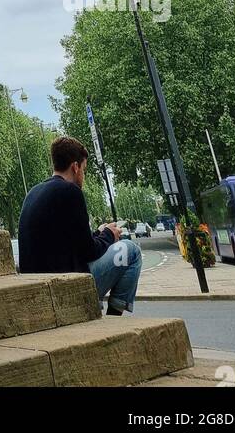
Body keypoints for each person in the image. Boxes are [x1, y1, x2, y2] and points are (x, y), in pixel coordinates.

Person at [17, 135, 142, 315]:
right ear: (75, 167)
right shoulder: (71, 191)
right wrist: (108, 235)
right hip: (66, 287)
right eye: (84, 169)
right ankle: (115, 319)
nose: (83, 175)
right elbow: (89, 252)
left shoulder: (33, 193)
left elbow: (69, 243)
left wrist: (98, 233)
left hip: (37, 286)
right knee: (131, 251)